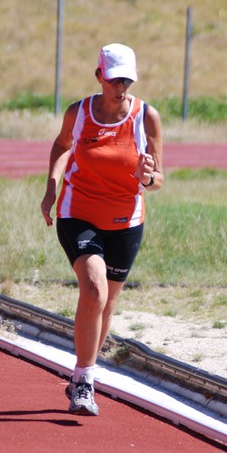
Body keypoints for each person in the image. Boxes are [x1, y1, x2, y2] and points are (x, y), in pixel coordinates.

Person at [40, 43, 163, 416]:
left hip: (126, 222)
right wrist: (51, 186)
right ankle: (86, 380)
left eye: (126, 80)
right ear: (99, 76)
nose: (120, 87)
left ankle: (82, 374)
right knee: (92, 288)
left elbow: (158, 179)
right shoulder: (79, 113)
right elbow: (62, 145)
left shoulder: (146, 118)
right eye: (113, 79)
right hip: (78, 212)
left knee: (106, 304)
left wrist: (148, 177)